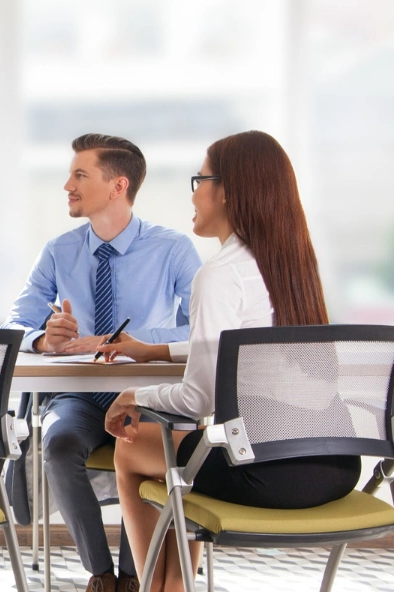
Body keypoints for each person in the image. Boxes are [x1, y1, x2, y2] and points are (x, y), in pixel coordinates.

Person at [102, 131, 359, 592]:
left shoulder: (220, 275)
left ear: (229, 189)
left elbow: (197, 395)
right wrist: (155, 351)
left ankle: (162, 587)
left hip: (267, 475)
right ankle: (170, 587)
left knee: (132, 442)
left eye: (200, 178)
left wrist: (131, 394)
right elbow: (248, 350)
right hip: (336, 466)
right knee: (193, 449)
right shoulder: (292, 264)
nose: (195, 192)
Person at [2, 134, 201, 592]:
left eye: (79, 174)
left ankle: (136, 574)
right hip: (79, 394)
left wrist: (125, 341)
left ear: (118, 186)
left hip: (147, 397)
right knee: (58, 444)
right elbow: (15, 324)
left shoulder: (172, 249)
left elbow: (199, 329)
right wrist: (43, 339)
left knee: (152, 449)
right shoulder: (58, 250)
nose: (67, 185)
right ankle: (101, 574)